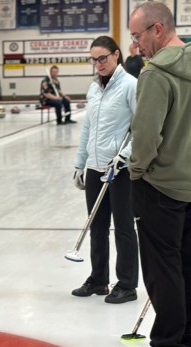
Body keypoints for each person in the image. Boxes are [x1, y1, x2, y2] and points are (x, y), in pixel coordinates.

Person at [120, 2, 191, 347]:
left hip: (161, 186)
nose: (136, 44)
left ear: (158, 29)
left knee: (163, 270)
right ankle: (186, 344)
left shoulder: (156, 73)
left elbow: (146, 135)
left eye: (137, 35)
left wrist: (137, 172)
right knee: (190, 265)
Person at [71, 36, 138, 305]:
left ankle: (127, 284)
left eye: (102, 58)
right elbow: (88, 128)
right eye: (94, 60)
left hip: (120, 170)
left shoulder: (131, 85)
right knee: (97, 226)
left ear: (116, 55)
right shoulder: (94, 88)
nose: (98, 64)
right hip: (95, 166)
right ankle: (98, 279)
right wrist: (80, 162)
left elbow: (141, 127)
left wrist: (125, 156)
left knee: (123, 227)